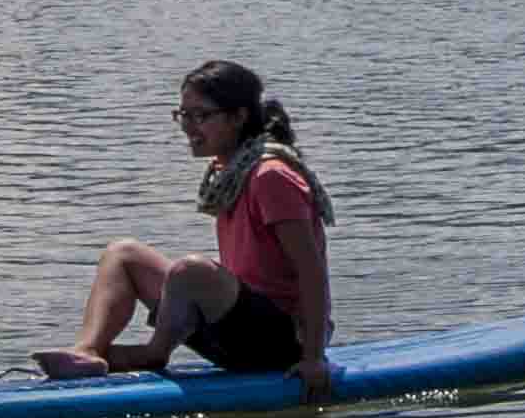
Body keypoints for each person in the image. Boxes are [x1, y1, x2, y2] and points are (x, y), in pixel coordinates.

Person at [38, 61, 337, 398]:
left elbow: (311, 272)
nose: (188, 127)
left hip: (285, 344)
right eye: (183, 115)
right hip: (238, 330)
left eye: (201, 116)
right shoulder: (230, 171)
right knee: (123, 254)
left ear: (238, 117)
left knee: (192, 270)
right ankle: (88, 353)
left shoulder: (271, 176)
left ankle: (153, 353)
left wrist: (312, 358)